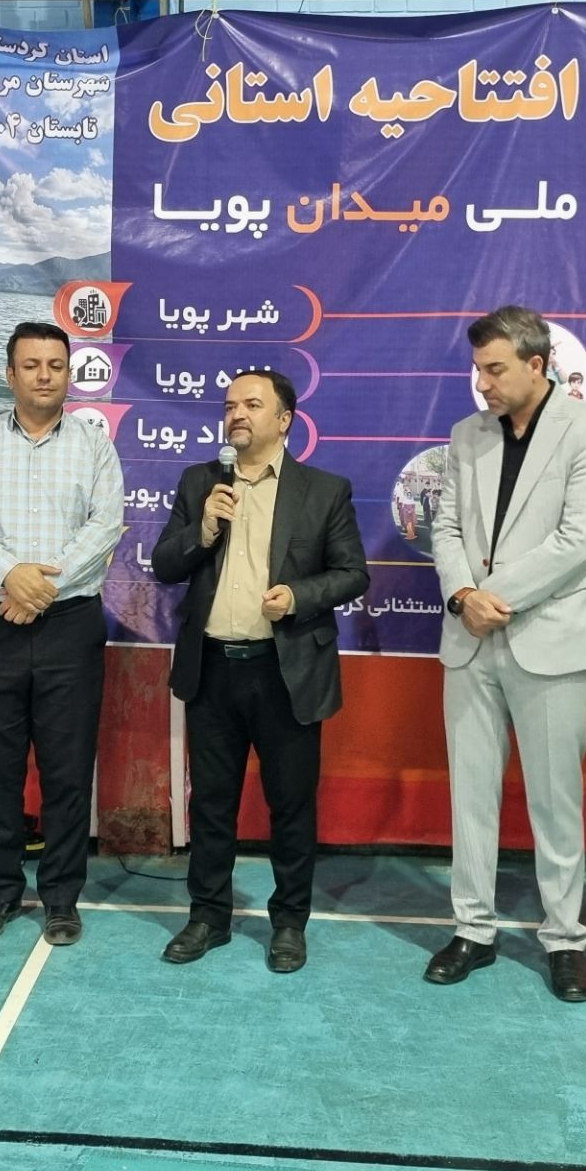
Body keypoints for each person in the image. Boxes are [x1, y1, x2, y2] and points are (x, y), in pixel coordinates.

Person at [426, 307, 586, 1000]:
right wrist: (462, 597)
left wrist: (489, 597)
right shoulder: (466, 435)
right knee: (470, 796)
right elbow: (445, 528)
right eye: (478, 368)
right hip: (469, 639)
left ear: (537, 366)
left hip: (549, 638)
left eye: (495, 369)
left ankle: (564, 939)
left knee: (555, 800)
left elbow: (578, 540)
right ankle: (472, 930)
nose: (482, 382)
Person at [151, 371, 368, 972]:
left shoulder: (323, 490)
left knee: (290, 806)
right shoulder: (201, 482)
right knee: (211, 803)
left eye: (252, 404)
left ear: (284, 419)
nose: (237, 415)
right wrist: (202, 530)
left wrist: (298, 596)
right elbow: (165, 565)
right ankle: (208, 916)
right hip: (213, 669)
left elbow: (353, 573)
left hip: (284, 671)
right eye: (229, 406)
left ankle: (290, 923)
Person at [0, 321, 123, 947]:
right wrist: (10, 575)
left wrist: (42, 587)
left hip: (69, 623)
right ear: (9, 374)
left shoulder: (94, 446)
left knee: (67, 769)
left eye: (56, 365)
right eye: (32, 365)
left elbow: (106, 525)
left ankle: (61, 898)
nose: (45, 376)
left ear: (70, 374)